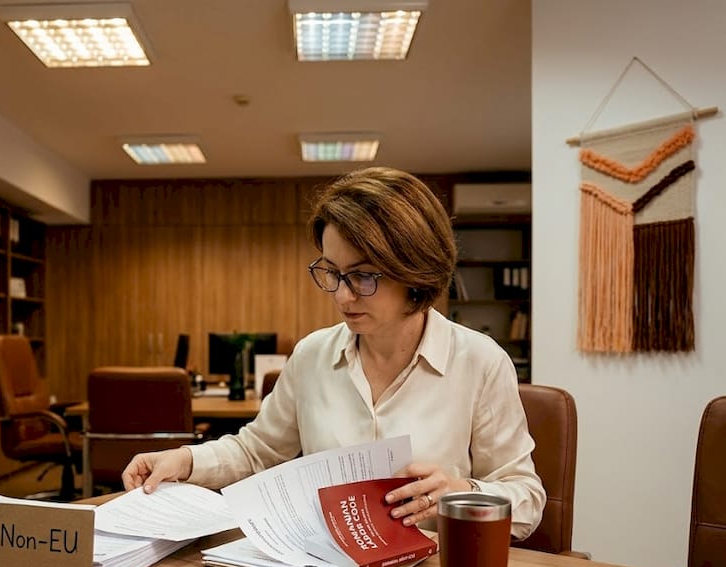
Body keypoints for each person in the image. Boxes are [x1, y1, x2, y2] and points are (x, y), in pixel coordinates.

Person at [122, 167, 545, 539]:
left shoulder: (478, 360)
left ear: (416, 271)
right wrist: (183, 459)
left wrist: (459, 494)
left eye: (362, 276)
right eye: (332, 272)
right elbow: (256, 452)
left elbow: (526, 499)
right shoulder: (312, 356)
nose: (342, 296)